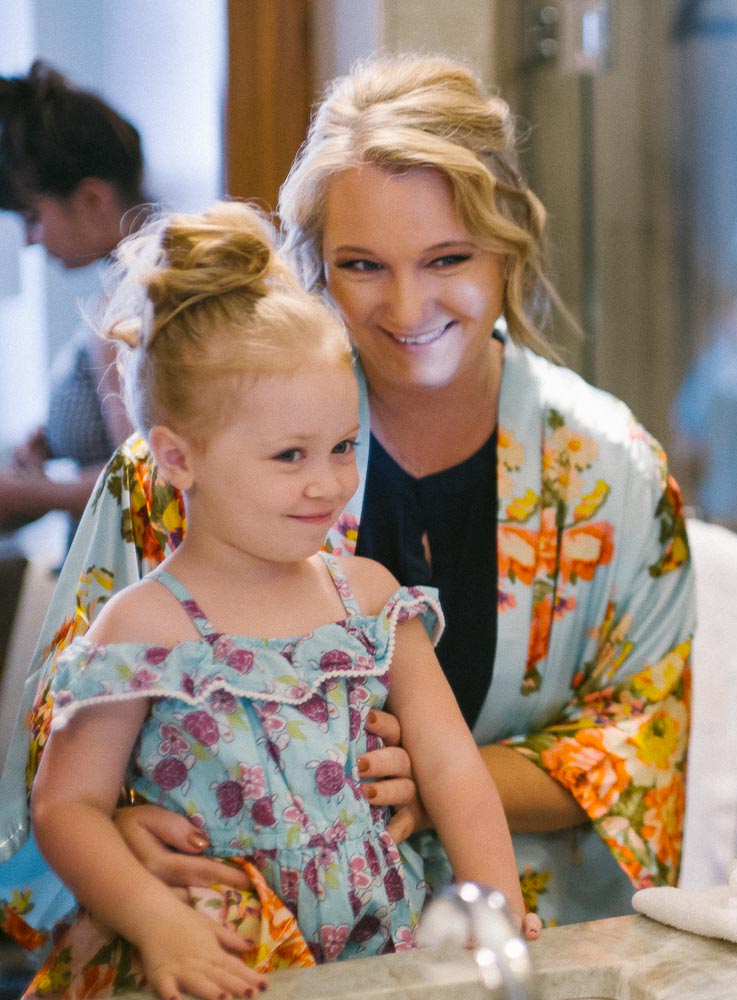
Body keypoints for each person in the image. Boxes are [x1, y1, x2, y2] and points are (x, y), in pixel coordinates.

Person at [0, 53, 695, 943]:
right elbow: (61, 753)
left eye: (448, 257)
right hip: (233, 943)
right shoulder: (178, 466)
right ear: (314, 265)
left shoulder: (613, 477)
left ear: (510, 242)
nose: (408, 309)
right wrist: (120, 828)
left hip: (516, 932)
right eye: (362, 264)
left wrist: (445, 779)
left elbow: (644, 746)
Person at [24, 202, 539, 1000]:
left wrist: (494, 907)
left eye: (342, 447)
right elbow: (66, 808)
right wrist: (159, 926)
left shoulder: (368, 598)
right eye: (290, 455)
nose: (328, 482)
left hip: (374, 962)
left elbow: (451, 767)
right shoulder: (141, 626)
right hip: (212, 965)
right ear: (177, 457)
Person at [0, 61, 138, 532]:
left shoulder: (130, 307)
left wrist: (28, 495)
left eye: (32, 216)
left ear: (92, 199)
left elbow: (147, 480)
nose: (29, 240)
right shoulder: (124, 290)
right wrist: (53, 440)